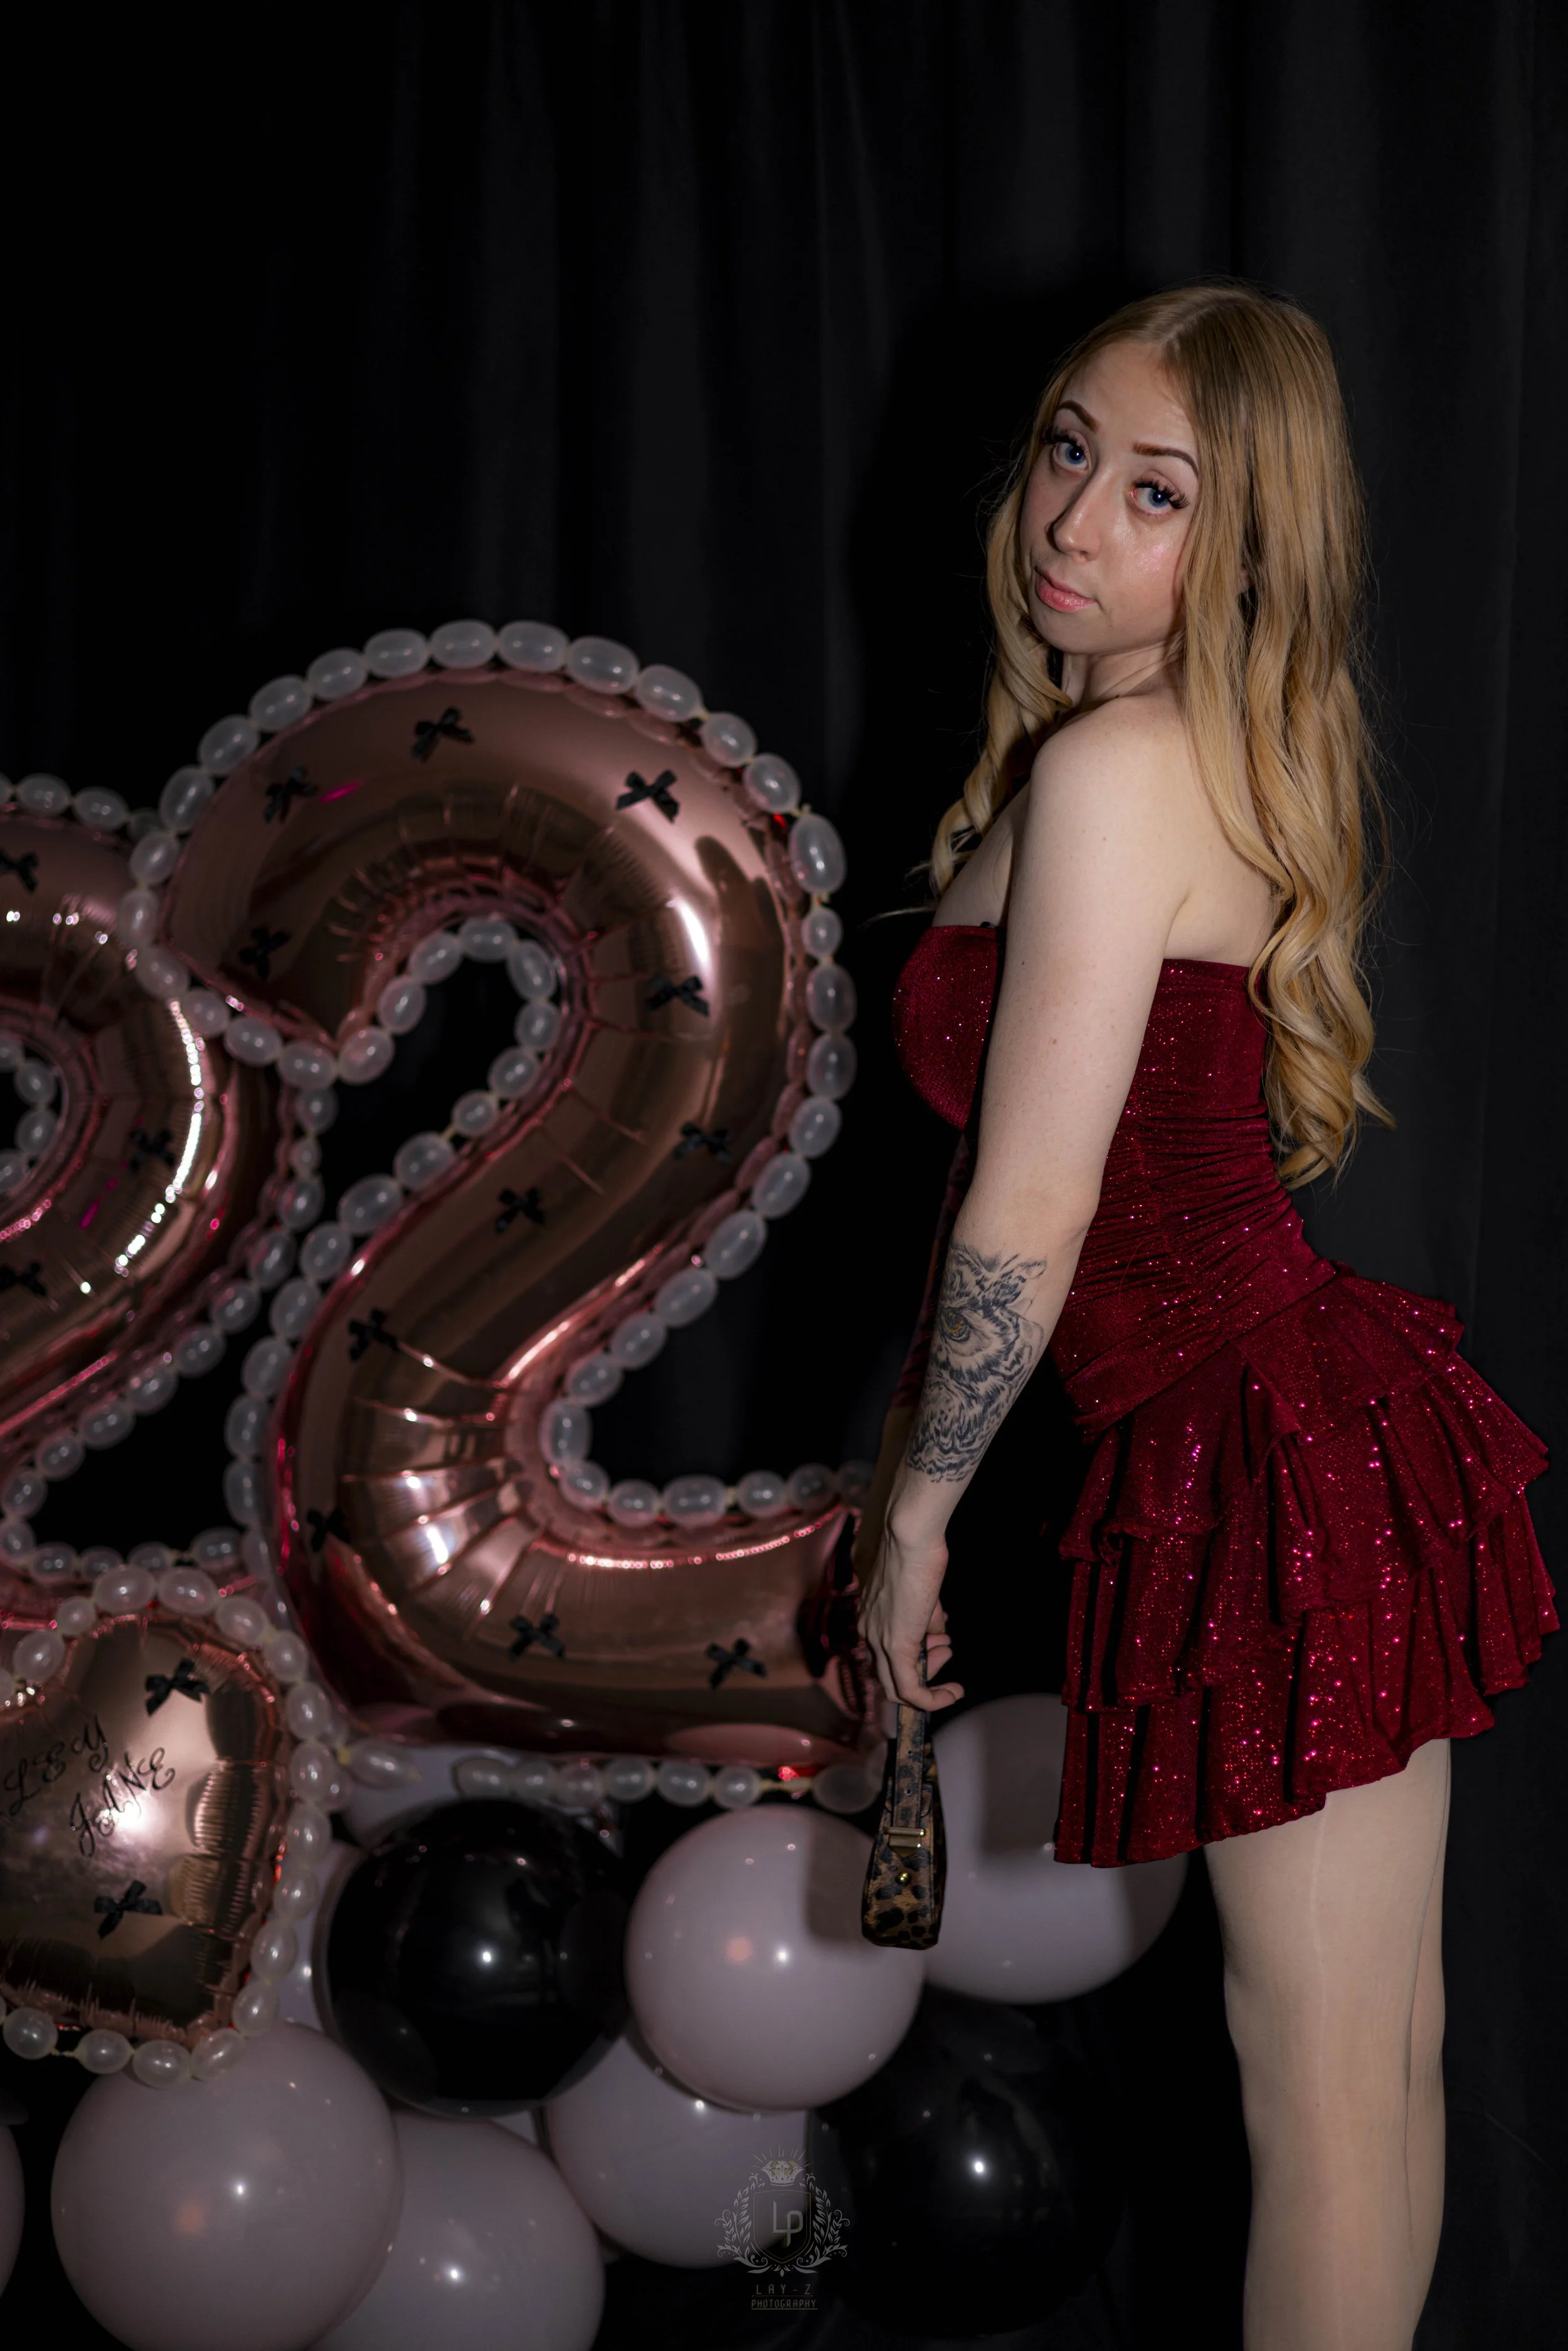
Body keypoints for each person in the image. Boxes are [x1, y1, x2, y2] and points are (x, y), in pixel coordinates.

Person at [852, 282, 1557, 2351]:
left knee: (1330, 2092)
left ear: (1245, 541)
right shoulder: (1134, 749)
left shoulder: (1118, 769)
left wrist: (911, 1511)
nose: (1073, 516)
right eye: (1067, 446)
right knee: (1369, 2069)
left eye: (1155, 493)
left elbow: (1033, 1202)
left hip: (1268, 1451)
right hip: (1276, 1432)